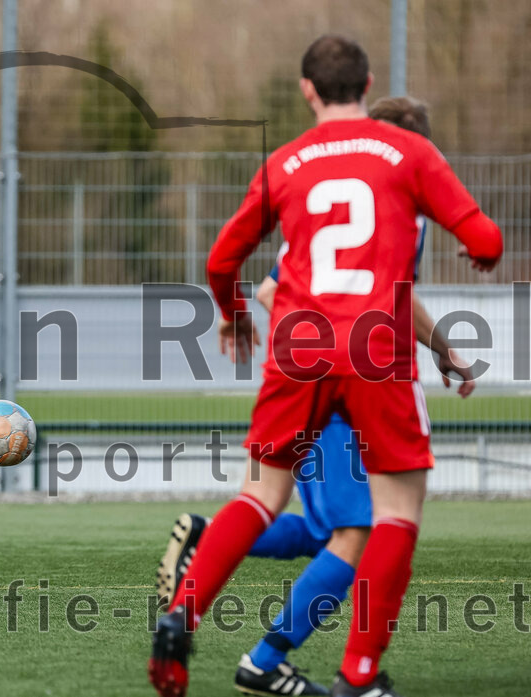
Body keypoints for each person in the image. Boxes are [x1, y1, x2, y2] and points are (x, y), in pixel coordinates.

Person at [148, 36, 502, 697]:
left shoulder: (290, 165)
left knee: (271, 500)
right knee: (379, 519)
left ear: (307, 89)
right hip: (370, 354)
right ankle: (349, 673)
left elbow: (224, 263)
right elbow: (484, 239)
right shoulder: (406, 163)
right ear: (368, 84)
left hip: (301, 355)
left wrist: (231, 314)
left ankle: (184, 614)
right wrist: (483, 256)